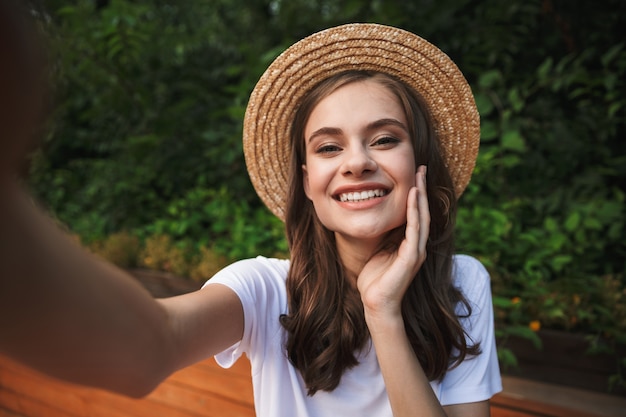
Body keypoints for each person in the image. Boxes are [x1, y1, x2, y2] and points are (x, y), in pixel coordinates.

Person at [0, 14, 502, 417]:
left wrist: (383, 313)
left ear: (420, 164)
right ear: (307, 183)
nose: (356, 162)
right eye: (329, 147)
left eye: (385, 139)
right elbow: (153, 344)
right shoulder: (264, 291)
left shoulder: (461, 283)